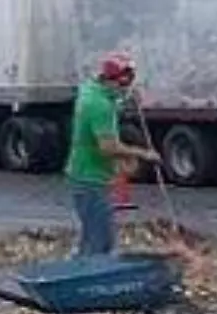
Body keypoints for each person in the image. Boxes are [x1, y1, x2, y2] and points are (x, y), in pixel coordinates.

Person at [66, 52, 161, 257]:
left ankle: (81, 269)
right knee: (101, 240)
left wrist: (125, 103)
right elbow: (108, 147)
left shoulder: (91, 90)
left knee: (92, 235)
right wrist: (142, 154)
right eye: (123, 85)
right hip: (90, 179)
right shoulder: (99, 105)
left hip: (87, 174)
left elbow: (111, 100)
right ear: (111, 80)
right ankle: (87, 281)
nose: (125, 89)